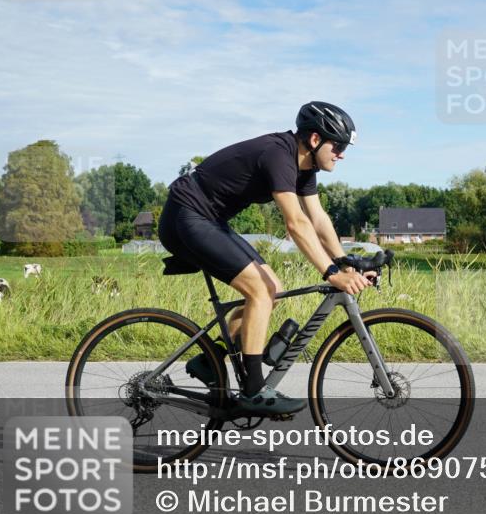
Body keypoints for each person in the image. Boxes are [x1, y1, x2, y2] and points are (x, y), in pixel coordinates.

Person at [157, 101, 372, 415]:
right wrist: (330, 272)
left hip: (209, 220)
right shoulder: (278, 154)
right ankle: (254, 391)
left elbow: (318, 219)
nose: (341, 153)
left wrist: (345, 262)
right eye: (337, 145)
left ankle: (209, 359)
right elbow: (295, 223)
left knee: (271, 287)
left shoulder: (305, 167)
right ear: (315, 140)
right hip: (185, 217)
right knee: (258, 290)